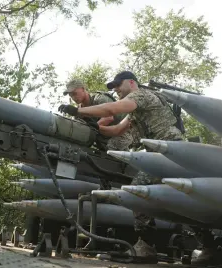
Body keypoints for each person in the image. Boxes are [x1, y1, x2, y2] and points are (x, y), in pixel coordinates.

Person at [58, 71, 183, 263]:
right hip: (159, 156)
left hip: (170, 152)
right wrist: (95, 127)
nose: (115, 89)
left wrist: (78, 112)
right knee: (180, 199)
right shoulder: (136, 110)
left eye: (118, 84)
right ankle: (206, 245)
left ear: (132, 82)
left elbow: (111, 110)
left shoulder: (141, 95)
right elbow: (116, 130)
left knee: (137, 192)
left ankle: (147, 246)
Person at [61, 79, 134, 151]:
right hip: (105, 139)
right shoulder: (78, 112)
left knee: (111, 151)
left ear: (83, 89)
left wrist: (90, 129)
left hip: (123, 132)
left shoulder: (99, 98)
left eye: (74, 93)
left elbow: (109, 118)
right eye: (71, 96)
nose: (73, 98)